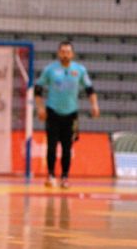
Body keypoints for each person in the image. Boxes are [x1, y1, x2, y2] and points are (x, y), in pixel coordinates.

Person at [35, 41, 99, 189]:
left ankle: (65, 177)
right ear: (58, 53)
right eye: (63, 51)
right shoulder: (50, 70)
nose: (65, 54)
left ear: (72, 54)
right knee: (51, 146)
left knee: (67, 147)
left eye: (68, 52)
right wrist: (40, 108)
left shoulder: (80, 70)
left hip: (71, 114)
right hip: (53, 113)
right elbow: (38, 89)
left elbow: (90, 89)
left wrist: (94, 105)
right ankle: (50, 175)